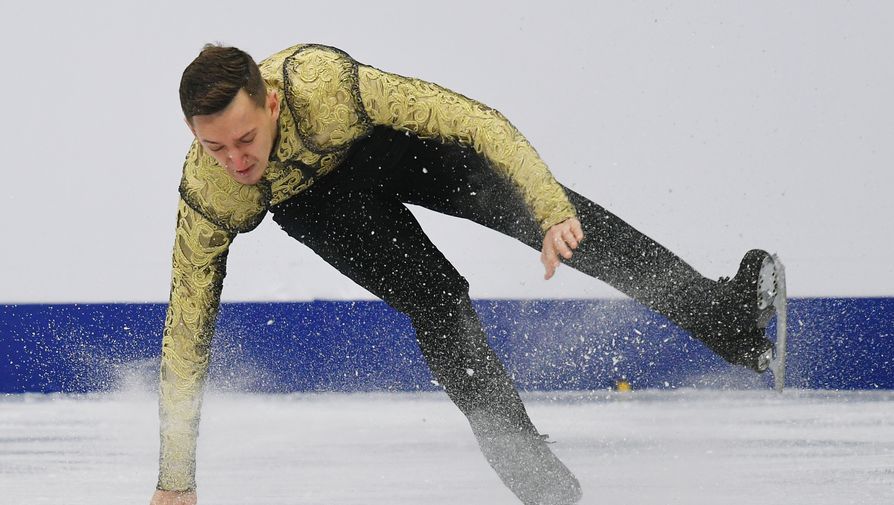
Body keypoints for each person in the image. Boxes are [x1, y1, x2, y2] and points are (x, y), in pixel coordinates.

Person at [150, 43, 784, 505]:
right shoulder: (210, 195)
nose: (236, 160)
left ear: (275, 102)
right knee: (437, 301)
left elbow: (472, 121)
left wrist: (547, 208)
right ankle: (537, 480)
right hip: (320, 209)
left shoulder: (324, 83)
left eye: (246, 138)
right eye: (216, 148)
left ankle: (728, 322)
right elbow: (187, 331)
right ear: (193, 135)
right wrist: (175, 479)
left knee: (558, 217)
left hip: (388, 148)